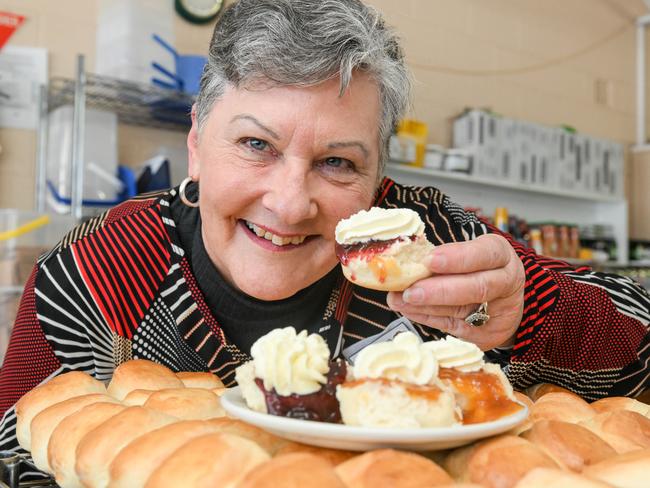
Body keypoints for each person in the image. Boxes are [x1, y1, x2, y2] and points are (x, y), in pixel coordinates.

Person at [1, 0, 649, 457]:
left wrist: (532, 312)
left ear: (377, 181)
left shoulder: (434, 251)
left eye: (337, 162)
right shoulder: (94, 274)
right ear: (196, 143)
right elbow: (13, 455)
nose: (288, 205)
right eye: (255, 144)